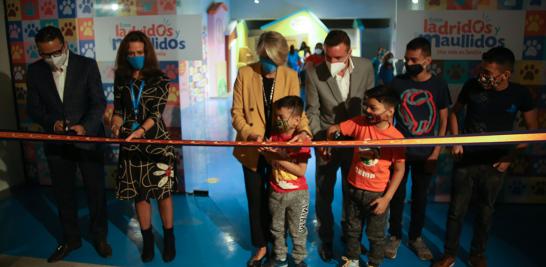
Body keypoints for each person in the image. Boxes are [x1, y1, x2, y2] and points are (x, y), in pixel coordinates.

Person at [433, 47, 537, 267]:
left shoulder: (521, 94)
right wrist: (456, 139)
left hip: (495, 164)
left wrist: (509, 158)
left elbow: (532, 131)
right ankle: (449, 255)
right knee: (456, 211)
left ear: (506, 75)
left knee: (485, 211)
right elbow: (454, 112)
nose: (482, 76)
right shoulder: (471, 86)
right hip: (466, 161)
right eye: (481, 69)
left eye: (488, 72)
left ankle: (477, 255)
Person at [26, 26, 110, 262]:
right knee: (63, 194)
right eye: (45, 54)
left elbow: (98, 103)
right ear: (39, 52)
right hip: (56, 143)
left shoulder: (87, 65)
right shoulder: (34, 72)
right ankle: (71, 239)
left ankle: (99, 237)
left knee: (95, 192)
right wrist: (52, 123)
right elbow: (33, 108)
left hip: (88, 139)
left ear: (64, 45)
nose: (51, 58)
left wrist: (85, 127)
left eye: (55, 51)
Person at [231, 31, 312, 267]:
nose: (271, 66)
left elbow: (298, 110)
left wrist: (305, 132)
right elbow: (236, 114)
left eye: (276, 61)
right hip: (252, 149)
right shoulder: (245, 74)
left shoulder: (290, 74)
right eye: (266, 59)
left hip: (281, 149)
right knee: (256, 199)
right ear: (258, 53)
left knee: (281, 199)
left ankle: (280, 246)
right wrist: (250, 134)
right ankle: (262, 245)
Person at [305, 29, 375, 261]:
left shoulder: (365, 67)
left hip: (356, 140)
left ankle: (350, 236)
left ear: (349, 52)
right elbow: (312, 111)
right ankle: (325, 238)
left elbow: (370, 105)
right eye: (328, 57)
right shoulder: (314, 73)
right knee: (324, 192)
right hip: (327, 141)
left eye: (338, 58)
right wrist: (319, 138)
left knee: (353, 192)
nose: (332, 62)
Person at [110, 31, 177, 263]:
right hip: (130, 144)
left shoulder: (159, 78)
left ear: (146, 53)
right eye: (131, 53)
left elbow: (156, 112)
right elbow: (118, 108)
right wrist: (116, 122)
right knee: (140, 195)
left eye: (139, 52)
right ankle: (147, 240)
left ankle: (169, 238)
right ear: (124, 55)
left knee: (163, 193)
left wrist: (141, 130)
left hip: (155, 141)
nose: (135, 56)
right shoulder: (121, 78)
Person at [385, 37, 450, 261]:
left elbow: (443, 119)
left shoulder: (439, 85)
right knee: (396, 195)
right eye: (406, 58)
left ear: (427, 60)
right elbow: (387, 115)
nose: (408, 62)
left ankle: (416, 237)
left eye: (414, 59)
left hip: (426, 153)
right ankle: (394, 235)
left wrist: (436, 151)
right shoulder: (397, 82)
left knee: (420, 197)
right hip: (400, 153)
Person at [326, 86, 406, 267]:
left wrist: (387, 198)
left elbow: (400, 170)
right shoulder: (360, 122)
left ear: (390, 111)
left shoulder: (396, 138)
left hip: (377, 195)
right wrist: (330, 140)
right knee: (352, 231)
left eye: (373, 108)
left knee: (376, 235)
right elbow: (335, 128)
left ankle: (374, 262)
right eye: (366, 106)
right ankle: (352, 260)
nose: (367, 111)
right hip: (353, 188)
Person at [259, 96, 311, 267]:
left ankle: (298, 258)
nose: (277, 120)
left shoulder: (302, 141)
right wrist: (266, 153)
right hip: (276, 192)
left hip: (298, 195)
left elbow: (300, 170)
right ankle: (280, 257)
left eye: (282, 117)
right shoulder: (274, 136)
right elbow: (270, 162)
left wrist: (278, 157)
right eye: (276, 116)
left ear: (297, 120)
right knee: (277, 228)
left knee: (298, 229)